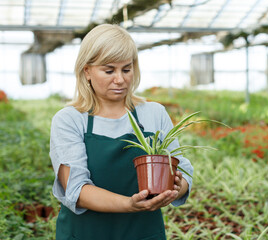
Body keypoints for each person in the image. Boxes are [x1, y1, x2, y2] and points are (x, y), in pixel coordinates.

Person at [49, 24, 193, 240]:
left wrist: (176, 187)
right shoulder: (70, 120)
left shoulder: (153, 114)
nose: (120, 79)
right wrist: (129, 204)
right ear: (87, 71)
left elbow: (183, 169)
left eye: (126, 69)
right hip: (85, 233)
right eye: (109, 71)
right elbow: (76, 189)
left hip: (143, 232)